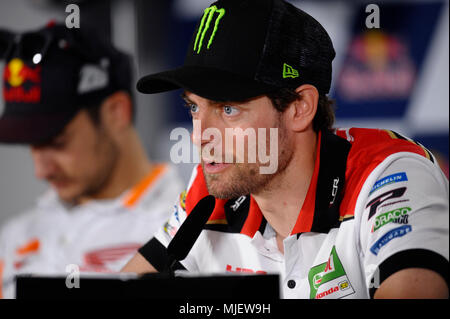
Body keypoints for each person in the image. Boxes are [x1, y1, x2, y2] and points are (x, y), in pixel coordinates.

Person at [122, 0, 449, 299]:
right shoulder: (209, 190)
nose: (199, 137)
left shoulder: (390, 174)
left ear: (300, 107)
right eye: (194, 108)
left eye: (227, 109)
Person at [0, 23, 183, 298]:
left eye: (57, 142)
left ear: (116, 112)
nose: (40, 170)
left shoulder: (184, 229)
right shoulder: (13, 237)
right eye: (33, 145)